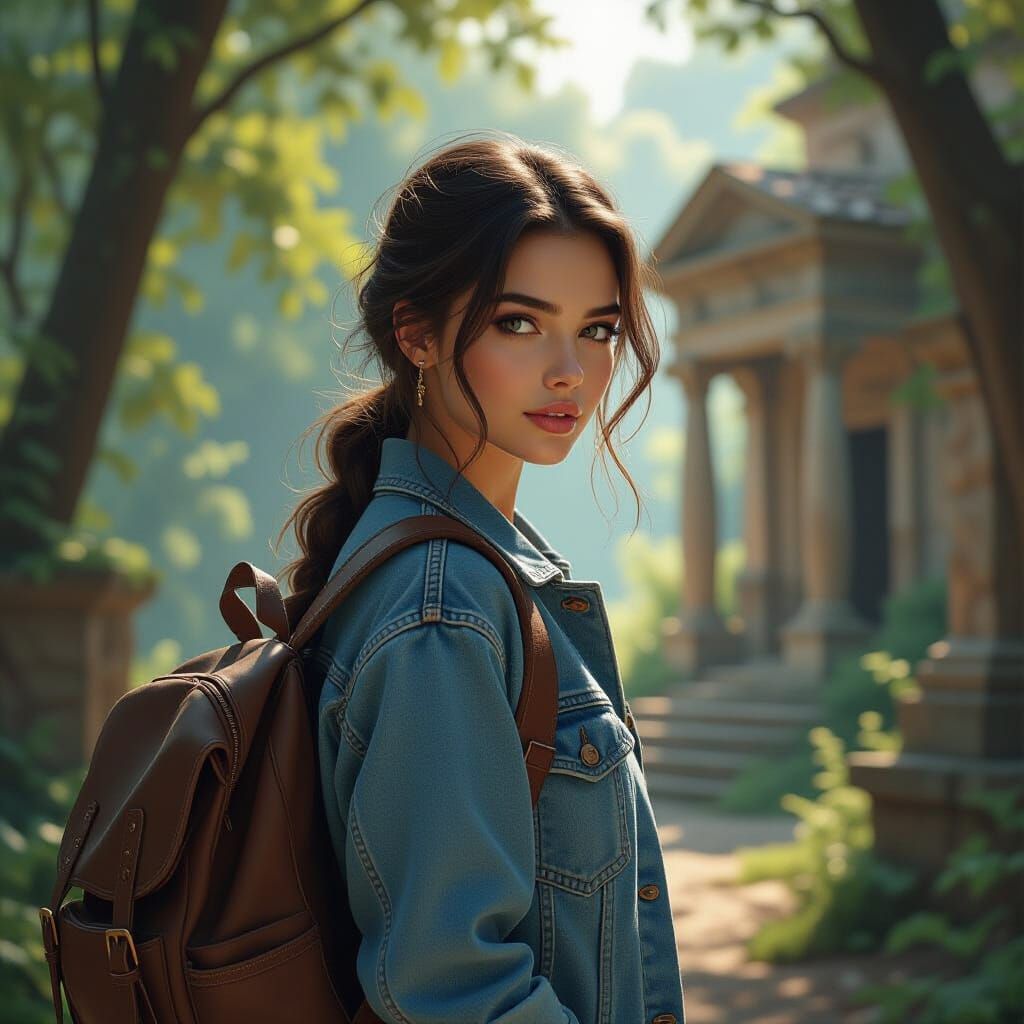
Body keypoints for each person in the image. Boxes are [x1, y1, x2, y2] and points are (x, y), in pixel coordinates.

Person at [275, 130, 686, 1024]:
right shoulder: (444, 607)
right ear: (415, 332)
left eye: (599, 329)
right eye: (519, 322)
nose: (570, 372)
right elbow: (453, 986)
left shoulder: (472, 572)